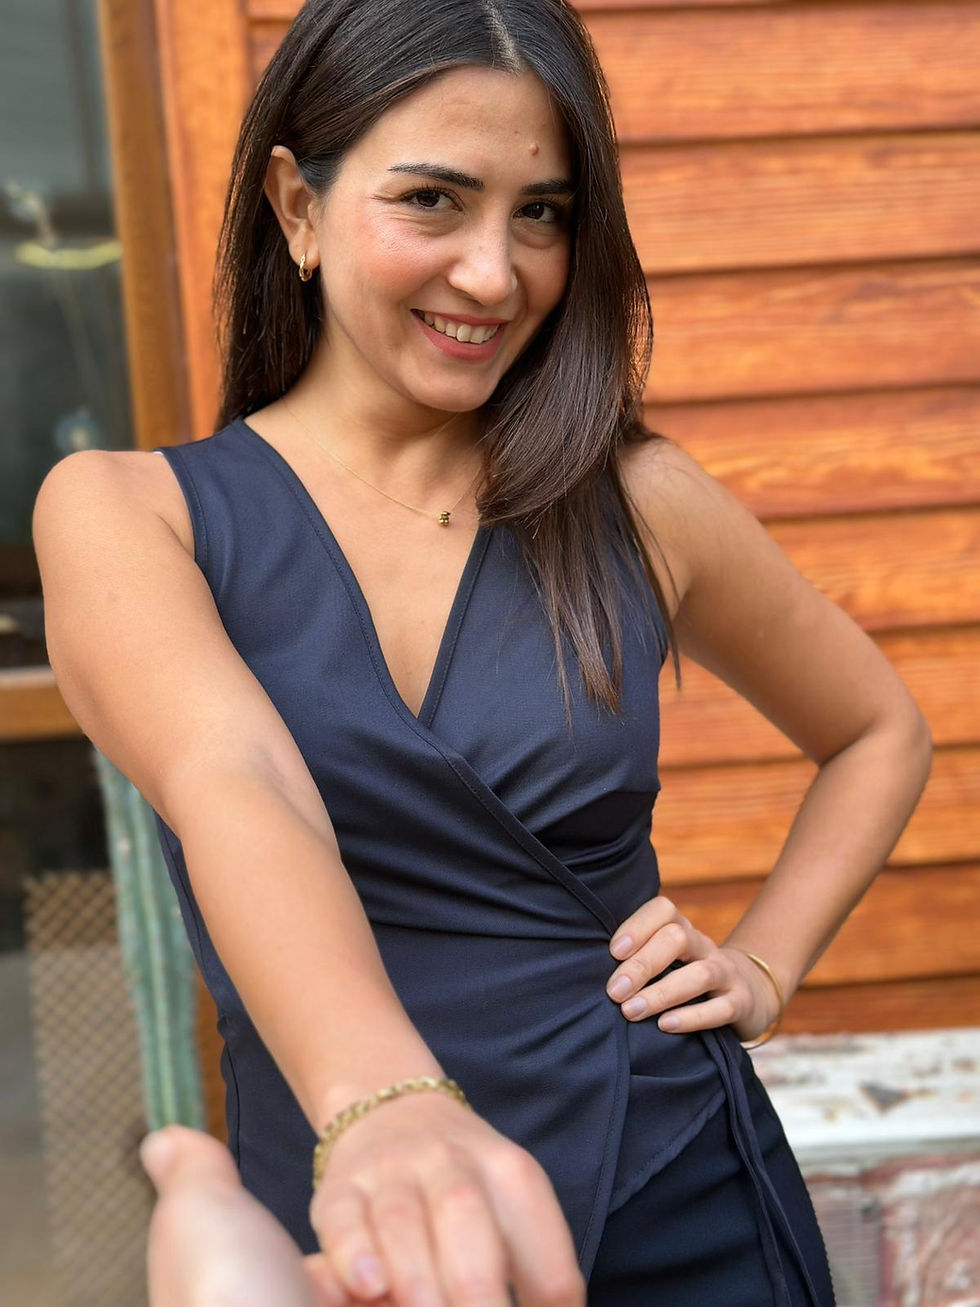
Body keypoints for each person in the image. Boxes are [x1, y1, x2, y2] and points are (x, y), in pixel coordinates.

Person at [33, 1, 932, 1303]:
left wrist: (765, 964)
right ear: (297, 206)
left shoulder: (638, 500)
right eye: (432, 201)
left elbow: (876, 732)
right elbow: (242, 780)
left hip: (676, 1189)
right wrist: (384, 1107)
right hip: (364, 1217)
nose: (496, 275)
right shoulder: (132, 514)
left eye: (542, 214)